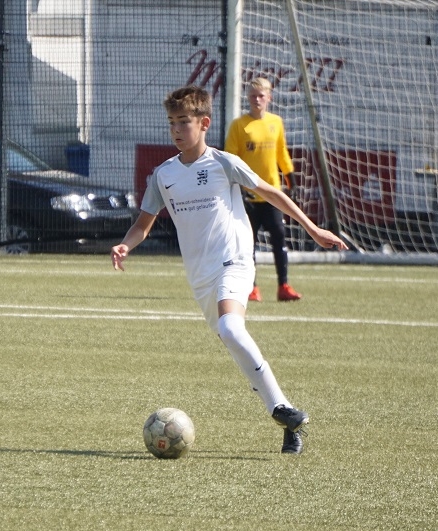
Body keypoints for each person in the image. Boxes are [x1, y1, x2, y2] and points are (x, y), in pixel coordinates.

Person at [111, 85, 347, 454]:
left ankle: (283, 411)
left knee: (231, 328)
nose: (176, 130)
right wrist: (127, 244)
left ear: (204, 123)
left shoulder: (223, 163)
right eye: (171, 122)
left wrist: (313, 229)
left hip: (235, 260)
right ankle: (286, 416)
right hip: (200, 276)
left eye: (184, 122)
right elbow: (143, 224)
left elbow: (271, 192)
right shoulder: (163, 175)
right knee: (233, 342)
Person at [224, 77, 301, 302]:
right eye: (253, 96)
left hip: (271, 194)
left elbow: (281, 152)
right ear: (248, 98)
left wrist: (291, 179)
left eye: (261, 96)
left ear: (269, 97)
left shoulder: (276, 122)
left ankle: (283, 286)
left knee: (279, 237)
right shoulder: (239, 125)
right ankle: (252, 287)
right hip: (248, 195)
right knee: (248, 244)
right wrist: (237, 186)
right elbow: (230, 159)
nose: (257, 100)